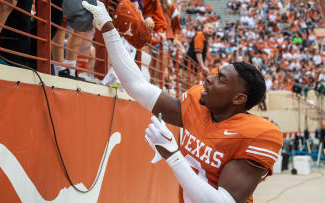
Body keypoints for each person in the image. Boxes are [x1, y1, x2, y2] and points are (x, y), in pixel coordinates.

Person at [82, 1, 283, 203]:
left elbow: (222, 202)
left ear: (238, 99)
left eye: (221, 79)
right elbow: (138, 86)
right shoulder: (197, 104)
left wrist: (173, 155)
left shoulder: (258, 135)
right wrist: (108, 27)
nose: (209, 79)